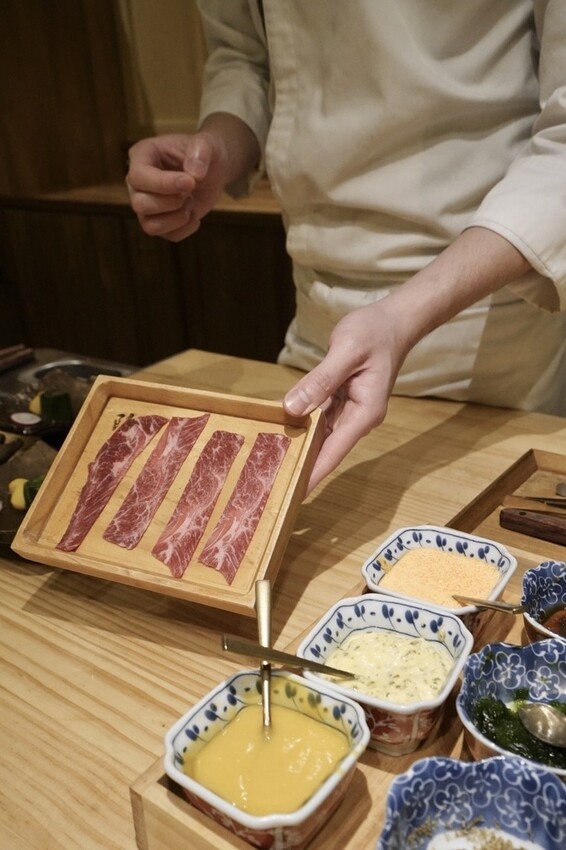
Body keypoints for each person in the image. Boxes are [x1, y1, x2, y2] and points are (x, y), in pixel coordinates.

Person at [126, 1, 566, 494]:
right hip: (316, 322)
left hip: (485, 332)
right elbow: (244, 56)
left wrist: (399, 317)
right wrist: (217, 149)